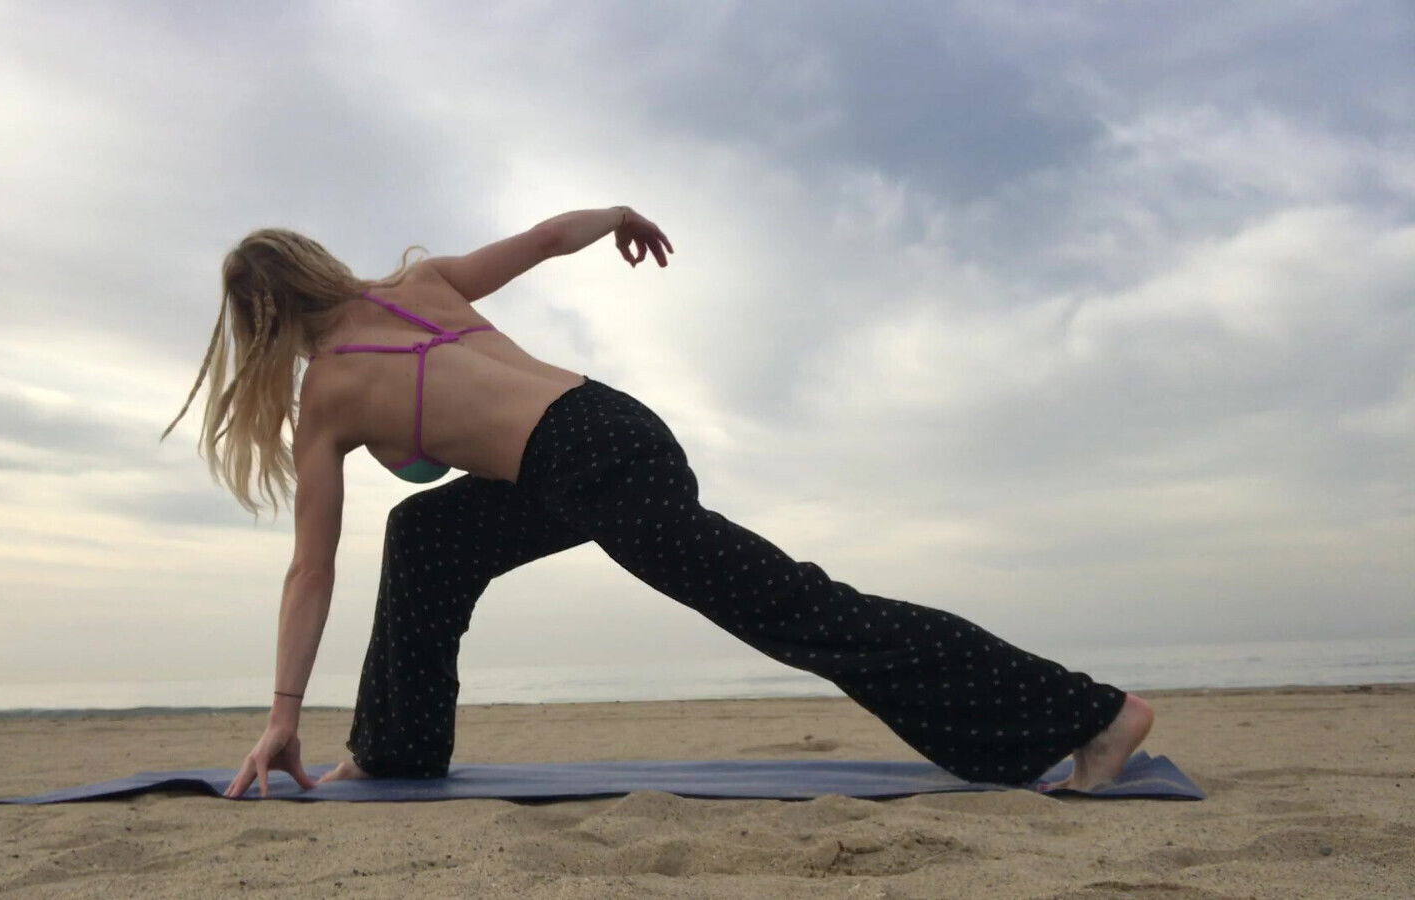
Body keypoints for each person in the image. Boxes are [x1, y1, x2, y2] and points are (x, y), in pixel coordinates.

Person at [162, 206, 1153, 800]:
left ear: (257, 322)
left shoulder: (325, 394)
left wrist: (281, 712)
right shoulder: (417, 285)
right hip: (601, 430)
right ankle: (392, 753)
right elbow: (553, 237)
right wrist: (619, 216)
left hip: (590, 465)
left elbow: (310, 568)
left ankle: (1092, 716)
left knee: (796, 609)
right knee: (425, 533)